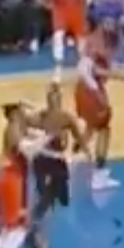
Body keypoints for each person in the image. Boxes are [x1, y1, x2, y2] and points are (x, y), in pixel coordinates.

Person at [0, 102, 59, 248]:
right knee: (15, 225)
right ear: (15, 114)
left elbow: (37, 141)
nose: (26, 113)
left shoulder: (21, 128)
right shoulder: (13, 129)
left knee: (15, 222)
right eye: (23, 110)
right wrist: (49, 136)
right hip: (11, 179)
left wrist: (55, 154)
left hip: (17, 178)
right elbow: (29, 150)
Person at [74, 23, 121, 191]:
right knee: (104, 130)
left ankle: (73, 155)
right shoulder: (94, 50)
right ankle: (99, 177)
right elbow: (84, 70)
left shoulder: (93, 45)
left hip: (84, 90)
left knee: (91, 126)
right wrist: (98, 95)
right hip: (91, 92)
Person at [30, 84, 84, 222]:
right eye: (50, 101)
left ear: (59, 102)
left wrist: (84, 150)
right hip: (43, 156)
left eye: (55, 101)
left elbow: (78, 136)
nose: (53, 105)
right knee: (45, 189)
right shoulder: (41, 116)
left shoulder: (67, 118)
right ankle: (41, 207)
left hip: (58, 158)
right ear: (48, 102)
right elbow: (28, 129)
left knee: (64, 200)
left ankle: (53, 193)